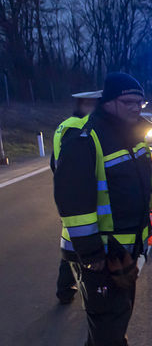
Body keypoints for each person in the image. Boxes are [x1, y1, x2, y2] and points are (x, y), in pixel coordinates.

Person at [53, 72, 152, 346]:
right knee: (109, 316)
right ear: (109, 102)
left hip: (123, 245)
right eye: (128, 102)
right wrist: (91, 253)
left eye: (140, 102)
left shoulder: (132, 134)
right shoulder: (85, 138)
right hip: (98, 248)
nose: (136, 108)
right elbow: (74, 202)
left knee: (110, 312)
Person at [51, 89, 103, 304]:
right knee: (81, 242)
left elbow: (54, 163)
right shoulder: (82, 129)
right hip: (79, 193)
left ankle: (65, 289)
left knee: (71, 240)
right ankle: (86, 291)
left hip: (68, 191)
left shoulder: (63, 125)